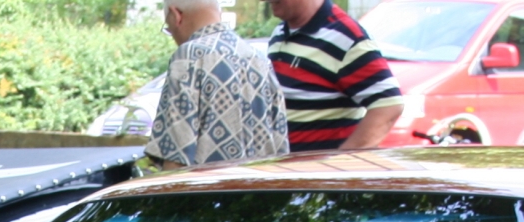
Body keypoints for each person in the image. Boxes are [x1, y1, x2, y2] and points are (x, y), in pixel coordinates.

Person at [145, 0, 287, 170]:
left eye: (168, 28)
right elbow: (281, 146)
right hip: (258, 189)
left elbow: (176, 155)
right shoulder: (259, 59)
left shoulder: (189, 56)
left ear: (177, 16)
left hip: (208, 191)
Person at [267, 0, 403, 152]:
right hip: (283, 171)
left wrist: (341, 162)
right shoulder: (280, 32)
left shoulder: (346, 37)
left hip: (315, 172)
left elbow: (388, 105)